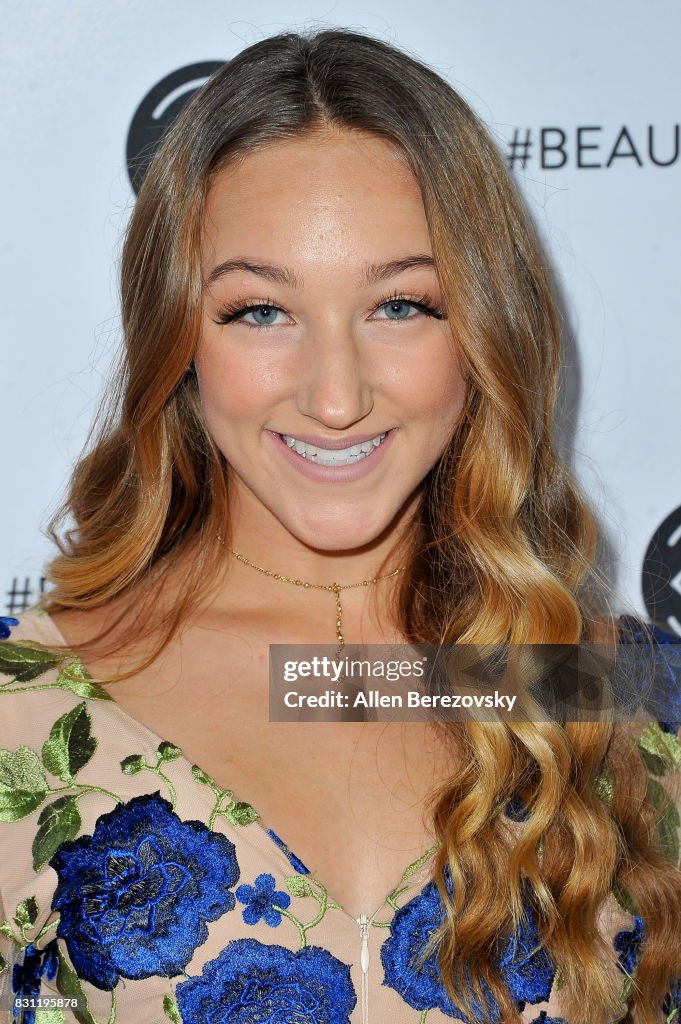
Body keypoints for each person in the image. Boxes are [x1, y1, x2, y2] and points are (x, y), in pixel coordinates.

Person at [1, 26, 680, 1024]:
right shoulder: (26, 713)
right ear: (178, 335)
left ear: (483, 329)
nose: (334, 396)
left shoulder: (627, 694)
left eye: (401, 304)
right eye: (261, 312)